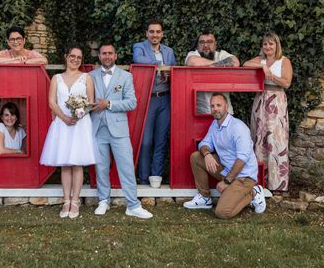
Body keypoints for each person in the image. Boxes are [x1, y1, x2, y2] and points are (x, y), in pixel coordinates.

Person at [90, 44, 153, 219]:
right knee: (101, 167)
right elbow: (86, 100)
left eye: (110, 53)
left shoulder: (125, 76)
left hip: (118, 129)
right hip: (97, 128)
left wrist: (109, 104)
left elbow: (132, 103)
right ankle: (103, 201)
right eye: (104, 53)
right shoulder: (90, 76)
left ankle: (133, 205)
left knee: (126, 166)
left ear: (116, 55)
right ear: (99, 56)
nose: (107, 56)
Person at [183, 93, 266, 218]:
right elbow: (204, 144)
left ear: (226, 107)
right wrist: (207, 154)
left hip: (243, 176)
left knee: (222, 212)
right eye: (212, 106)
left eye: (219, 105)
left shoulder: (238, 127)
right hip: (226, 169)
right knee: (196, 157)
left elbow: (242, 159)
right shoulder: (215, 125)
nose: (215, 108)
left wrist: (227, 182)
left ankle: (254, 193)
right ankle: (205, 198)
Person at [40, 45, 97, 219]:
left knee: (77, 162)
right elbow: (51, 102)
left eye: (79, 58)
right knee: (65, 163)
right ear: (66, 57)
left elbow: (91, 102)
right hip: (62, 123)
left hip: (80, 124)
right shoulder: (56, 78)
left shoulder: (86, 77)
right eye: (72, 56)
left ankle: (75, 200)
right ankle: (66, 200)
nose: (75, 60)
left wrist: (79, 114)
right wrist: (64, 118)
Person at [243, 32, 293, 191]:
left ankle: (277, 185)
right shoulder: (260, 60)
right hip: (261, 100)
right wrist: (263, 66)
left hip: (276, 101)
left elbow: (286, 83)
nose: (268, 47)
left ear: (277, 45)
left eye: (271, 44)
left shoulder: (284, 61)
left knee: (276, 141)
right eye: (265, 44)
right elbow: (245, 64)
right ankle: (259, 183)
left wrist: (271, 75)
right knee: (259, 138)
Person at [132, 19, 176, 185]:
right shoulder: (140, 47)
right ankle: (143, 178)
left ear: (162, 34)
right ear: (147, 33)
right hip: (148, 99)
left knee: (161, 139)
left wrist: (169, 73)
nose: (155, 35)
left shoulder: (169, 51)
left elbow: (175, 70)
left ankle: (156, 177)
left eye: (158, 32)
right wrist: (161, 65)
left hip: (165, 98)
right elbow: (138, 60)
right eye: (152, 31)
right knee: (145, 141)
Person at [185, 30, 240, 114]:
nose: (206, 45)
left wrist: (208, 65)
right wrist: (219, 64)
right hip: (201, 112)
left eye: (210, 42)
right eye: (202, 42)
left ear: (215, 44)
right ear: (197, 45)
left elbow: (235, 62)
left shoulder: (221, 54)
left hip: (224, 113)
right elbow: (192, 62)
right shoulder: (194, 54)